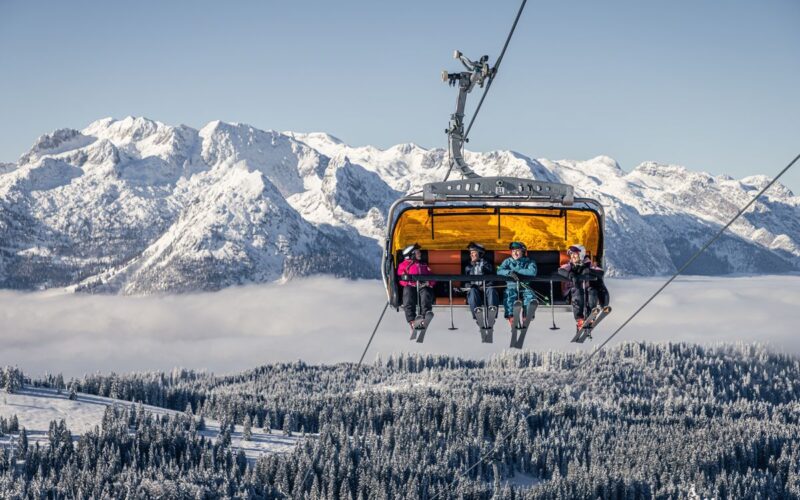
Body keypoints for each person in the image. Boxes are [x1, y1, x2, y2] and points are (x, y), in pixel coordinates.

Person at [558, 244, 610, 329]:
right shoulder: (570, 265)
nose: (572, 256)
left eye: (575, 254)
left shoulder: (588, 265)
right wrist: (570, 275)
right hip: (573, 293)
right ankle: (579, 319)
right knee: (577, 290)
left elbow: (600, 272)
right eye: (571, 254)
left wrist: (589, 271)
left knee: (592, 291)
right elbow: (561, 270)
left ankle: (591, 314)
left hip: (587, 292)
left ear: (581, 255)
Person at [496, 241, 538, 325]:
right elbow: (499, 270)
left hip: (525, 286)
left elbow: (532, 272)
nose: (515, 253)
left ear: (523, 252)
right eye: (513, 251)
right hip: (512, 286)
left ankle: (526, 314)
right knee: (509, 295)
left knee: (529, 295)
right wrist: (509, 273)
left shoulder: (529, 262)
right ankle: (511, 315)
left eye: (517, 251)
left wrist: (517, 271)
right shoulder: (508, 261)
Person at [397, 243, 435, 328]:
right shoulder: (403, 265)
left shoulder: (423, 265)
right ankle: (412, 320)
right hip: (411, 286)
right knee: (408, 294)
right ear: (412, 254)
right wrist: (408, 282)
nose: (420, 254)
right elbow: (401, 279)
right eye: (418, 252)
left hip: (422, 286)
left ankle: (424, 317)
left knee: (426, 293)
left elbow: (432, 277)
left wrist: (429, 283)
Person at [464, 242, 499, 320]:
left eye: (473, 253)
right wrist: (470, 286)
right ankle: (477, 315)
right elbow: (466, 282)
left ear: (480, 253)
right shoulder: (468, 267)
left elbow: (493, 279)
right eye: (470, 253)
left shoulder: (487, 265)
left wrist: (486, 285)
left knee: (491, 290)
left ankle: (492, 313)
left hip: (486, 289)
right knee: (472, 291)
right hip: (475, 290)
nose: (471, 255)